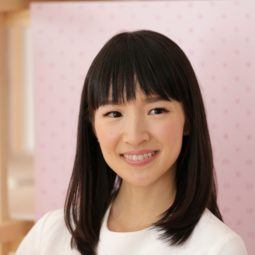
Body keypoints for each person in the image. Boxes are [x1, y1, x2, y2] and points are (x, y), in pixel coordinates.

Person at [16, 30, 248, 255]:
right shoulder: (51, 235)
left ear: (187, 120)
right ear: (92, 126)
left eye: (156, 110)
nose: (135, 136)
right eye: (114, 114)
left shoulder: (217, 248)